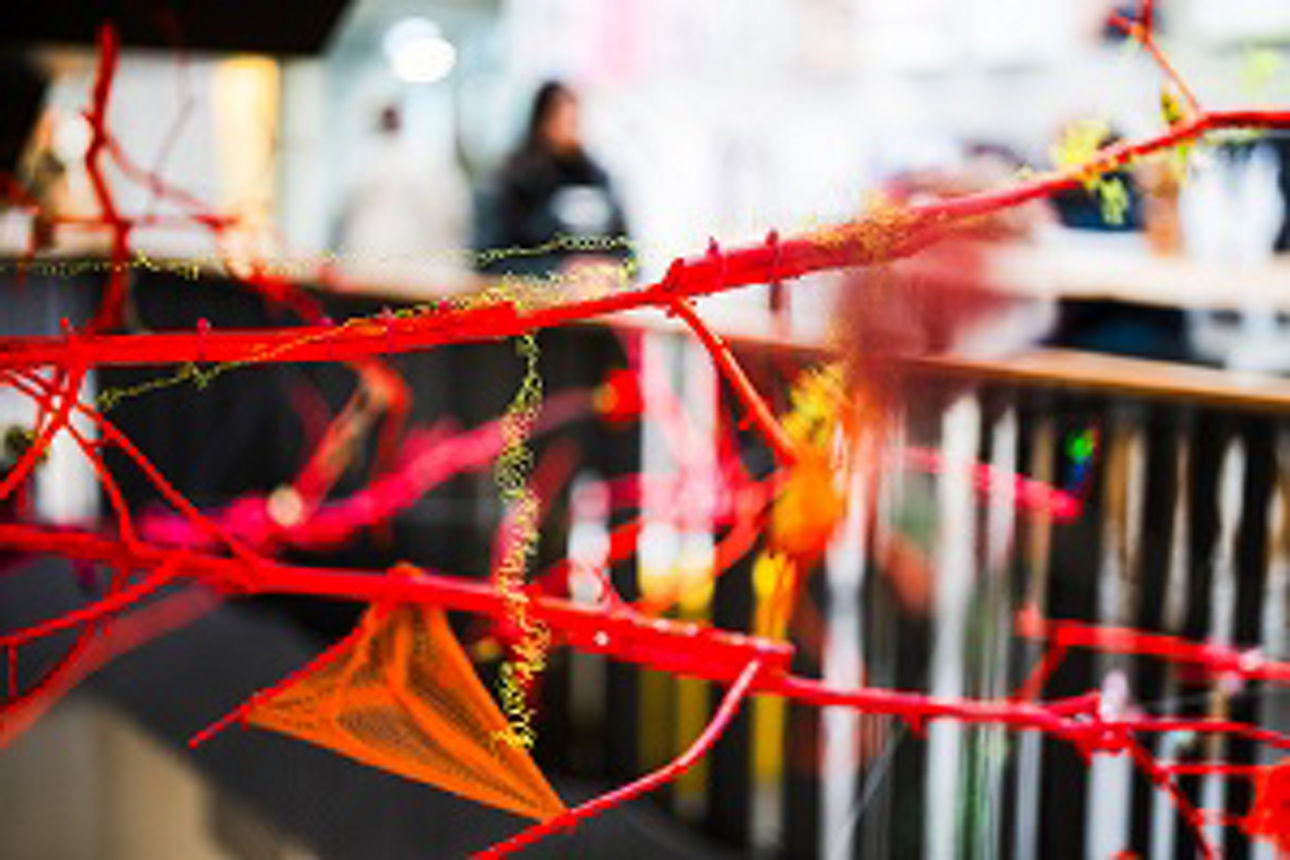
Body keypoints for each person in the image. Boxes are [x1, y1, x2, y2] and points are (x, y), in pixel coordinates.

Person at [474, 81, 632, 288]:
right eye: (563, 119)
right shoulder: (513, 179)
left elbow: (627, 252)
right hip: (532, 305)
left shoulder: (596, 178)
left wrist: (610, 269)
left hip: (599, 303)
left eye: (574, 120)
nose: (571, 128)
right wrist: (557, 270)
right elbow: (488, 260)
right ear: (541, 120)